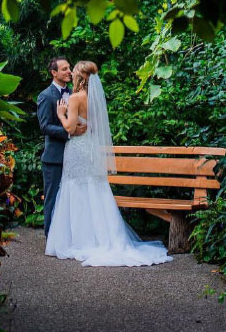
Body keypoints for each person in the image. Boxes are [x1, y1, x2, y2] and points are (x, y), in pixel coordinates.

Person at [44, 60, 173, 267]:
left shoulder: (76, 98)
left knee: (76, 191)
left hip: (77, 150)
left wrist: (61, 115)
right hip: (90, 151)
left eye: (74, 71)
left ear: (80, 77)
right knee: (94, 191)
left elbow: (69, 127)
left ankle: (79, 239)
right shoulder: (94, 99)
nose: (72, 73)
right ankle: (102, 238)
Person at [37, 57, 87, 237]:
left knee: (71, 197)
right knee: (52, 197)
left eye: (69, 68)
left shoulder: (75, 93)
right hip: (54, 156)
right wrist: (69, 132)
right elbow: (44, 126)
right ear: (54, 73)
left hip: (74, 155)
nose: (69, 71)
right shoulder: (46, 96)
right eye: (64, 69)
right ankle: (51, 237)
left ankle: (68, 236)